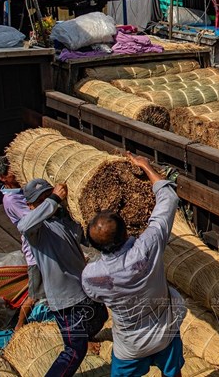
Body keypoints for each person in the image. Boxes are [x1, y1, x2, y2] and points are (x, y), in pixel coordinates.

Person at [81, 153, 185, 377]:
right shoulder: (147, 248)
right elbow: (168, 199)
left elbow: (95, 296)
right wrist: (146, 167)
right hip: (165, 332)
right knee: (173, 372)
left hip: (130, 344)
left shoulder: (91, 275)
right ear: (126, 231)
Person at [18, 179, 108, 377]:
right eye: (40, 201)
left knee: (101, 316)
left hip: (84, 289)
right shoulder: (36, 230)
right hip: (65, 300)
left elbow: (86, 238)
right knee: (75, 351)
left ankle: (85, 337)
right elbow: (23, 225)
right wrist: (53, 199)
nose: (48, 203)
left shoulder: (65, 221)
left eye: (47, 196)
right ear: (31, 206)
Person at [0, 156, 43, 331]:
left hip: (44, 244)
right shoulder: (11, 200)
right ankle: (19, 327)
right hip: (36, 251)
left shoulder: (22, 188)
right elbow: (32, 219)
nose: (17, 171)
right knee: (34, 294)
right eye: (12, 170)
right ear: (3, 177)